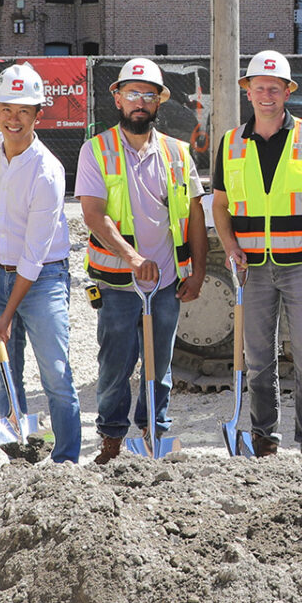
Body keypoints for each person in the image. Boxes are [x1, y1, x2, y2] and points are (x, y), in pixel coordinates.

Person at [210, 50, 302, 456]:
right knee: (258, 360)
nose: (267, 94)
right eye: (259, 87)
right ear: (247, 92)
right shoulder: (230, 143)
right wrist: (230, 246)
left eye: (275, 88)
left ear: (288, 92)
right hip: (253, 270)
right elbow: (219, 205)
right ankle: (264, 440)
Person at [79, 59, 210, 463]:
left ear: (159, 103)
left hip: (167, 281)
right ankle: (112, 438)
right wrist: (134, 258)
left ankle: (155, 430)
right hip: (118, 282)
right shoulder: (96, 150)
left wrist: (199, 271)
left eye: (148, 95)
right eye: (132, 94)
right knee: (115, 363)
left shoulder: (177, 152)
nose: (140, 102)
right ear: (117, 98)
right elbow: (93, 214)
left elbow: (194, 214)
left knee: (160, 364)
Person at [0, 64, 82, 462]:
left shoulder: (48, 171)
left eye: (23, 111)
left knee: (55, 371)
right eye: (6, 109)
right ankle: (20, 456)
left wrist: (4, 317)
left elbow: (34, 257)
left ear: (39, 114)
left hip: (42, 280)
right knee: (5, 373)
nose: (13, 119)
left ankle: (67, 460)